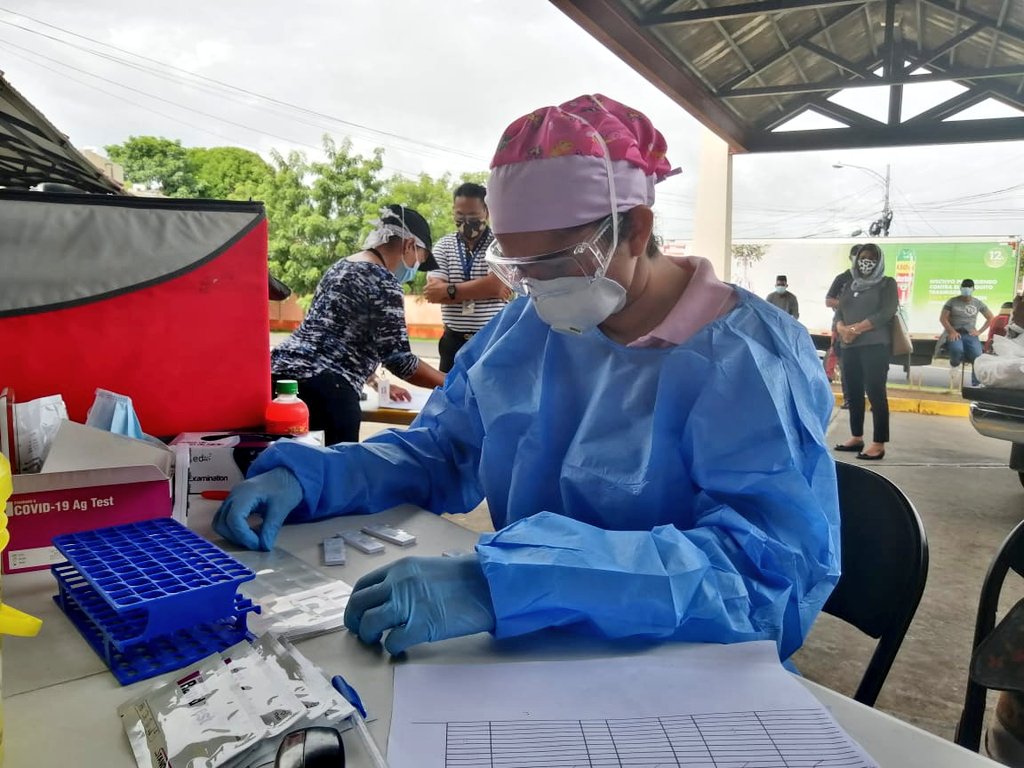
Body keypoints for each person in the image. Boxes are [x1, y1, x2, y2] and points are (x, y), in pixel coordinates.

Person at [214, 94, 840, 660]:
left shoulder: (750, 358)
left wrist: (521, 580)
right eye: (516, 264)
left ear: (636, 229)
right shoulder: (530, 323)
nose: (534, 286)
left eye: (552, 261)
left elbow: (764, 576)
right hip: (528, 636)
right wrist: (320, 476)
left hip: (677, 660)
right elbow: (445, 448)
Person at [269, 204, 446, 444]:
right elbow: (400, 360)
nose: (416, 268)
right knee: (331, 476)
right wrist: (451, 381)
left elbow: (334, 336)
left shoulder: (341, 267)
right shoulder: (383, 279)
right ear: (408, 245)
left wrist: (375, 382)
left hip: (278, 382)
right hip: (325, 394)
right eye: (419, 260)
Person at [423, 183, 510, 372]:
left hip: (491, 340)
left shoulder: (500, 245)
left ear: (486, 212)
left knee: (488, 398)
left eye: (472, 216)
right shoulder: (443, 246)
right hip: (452, 342)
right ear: (453, 211)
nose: (466, 221)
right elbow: (433, 294)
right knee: (450, 398)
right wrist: (485, 288)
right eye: (460, 215)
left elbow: (497, 285)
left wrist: (449, 290)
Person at [833, 243, 898, 461]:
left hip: (875, 346)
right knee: (853, 392)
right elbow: (839, 311)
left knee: (876, 393)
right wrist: (842, 328)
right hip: (849, 346)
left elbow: (887, 312)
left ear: (878, 260)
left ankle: (878, 443)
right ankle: (856, 437)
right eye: (862, 257)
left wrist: (857, 328)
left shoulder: (887, 283)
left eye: (871, 258)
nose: (866, 262)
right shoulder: (850, 284)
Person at [825, 245, 860, 408]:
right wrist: (847, 304)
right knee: (845, 364)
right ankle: (849, 399)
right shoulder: (843, 278)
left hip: (865, 328)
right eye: (858, 256)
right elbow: (829, 301)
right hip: (842, 327)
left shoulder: (872, 281)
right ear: (851, 258)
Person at [940, 279, 994, 386]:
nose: (966, 290)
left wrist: (979, 331)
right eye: (964, 287)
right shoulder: (952, 301)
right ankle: (954, 365)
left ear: (973, 289)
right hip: (955, 332)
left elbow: (990, 317)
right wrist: (951, 331)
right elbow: (943, 318)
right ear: (960, 288)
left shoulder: (977, 303)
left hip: (970, 334)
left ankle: (976, 384)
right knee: (957, 349)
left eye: (969, 288)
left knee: (978, 356)